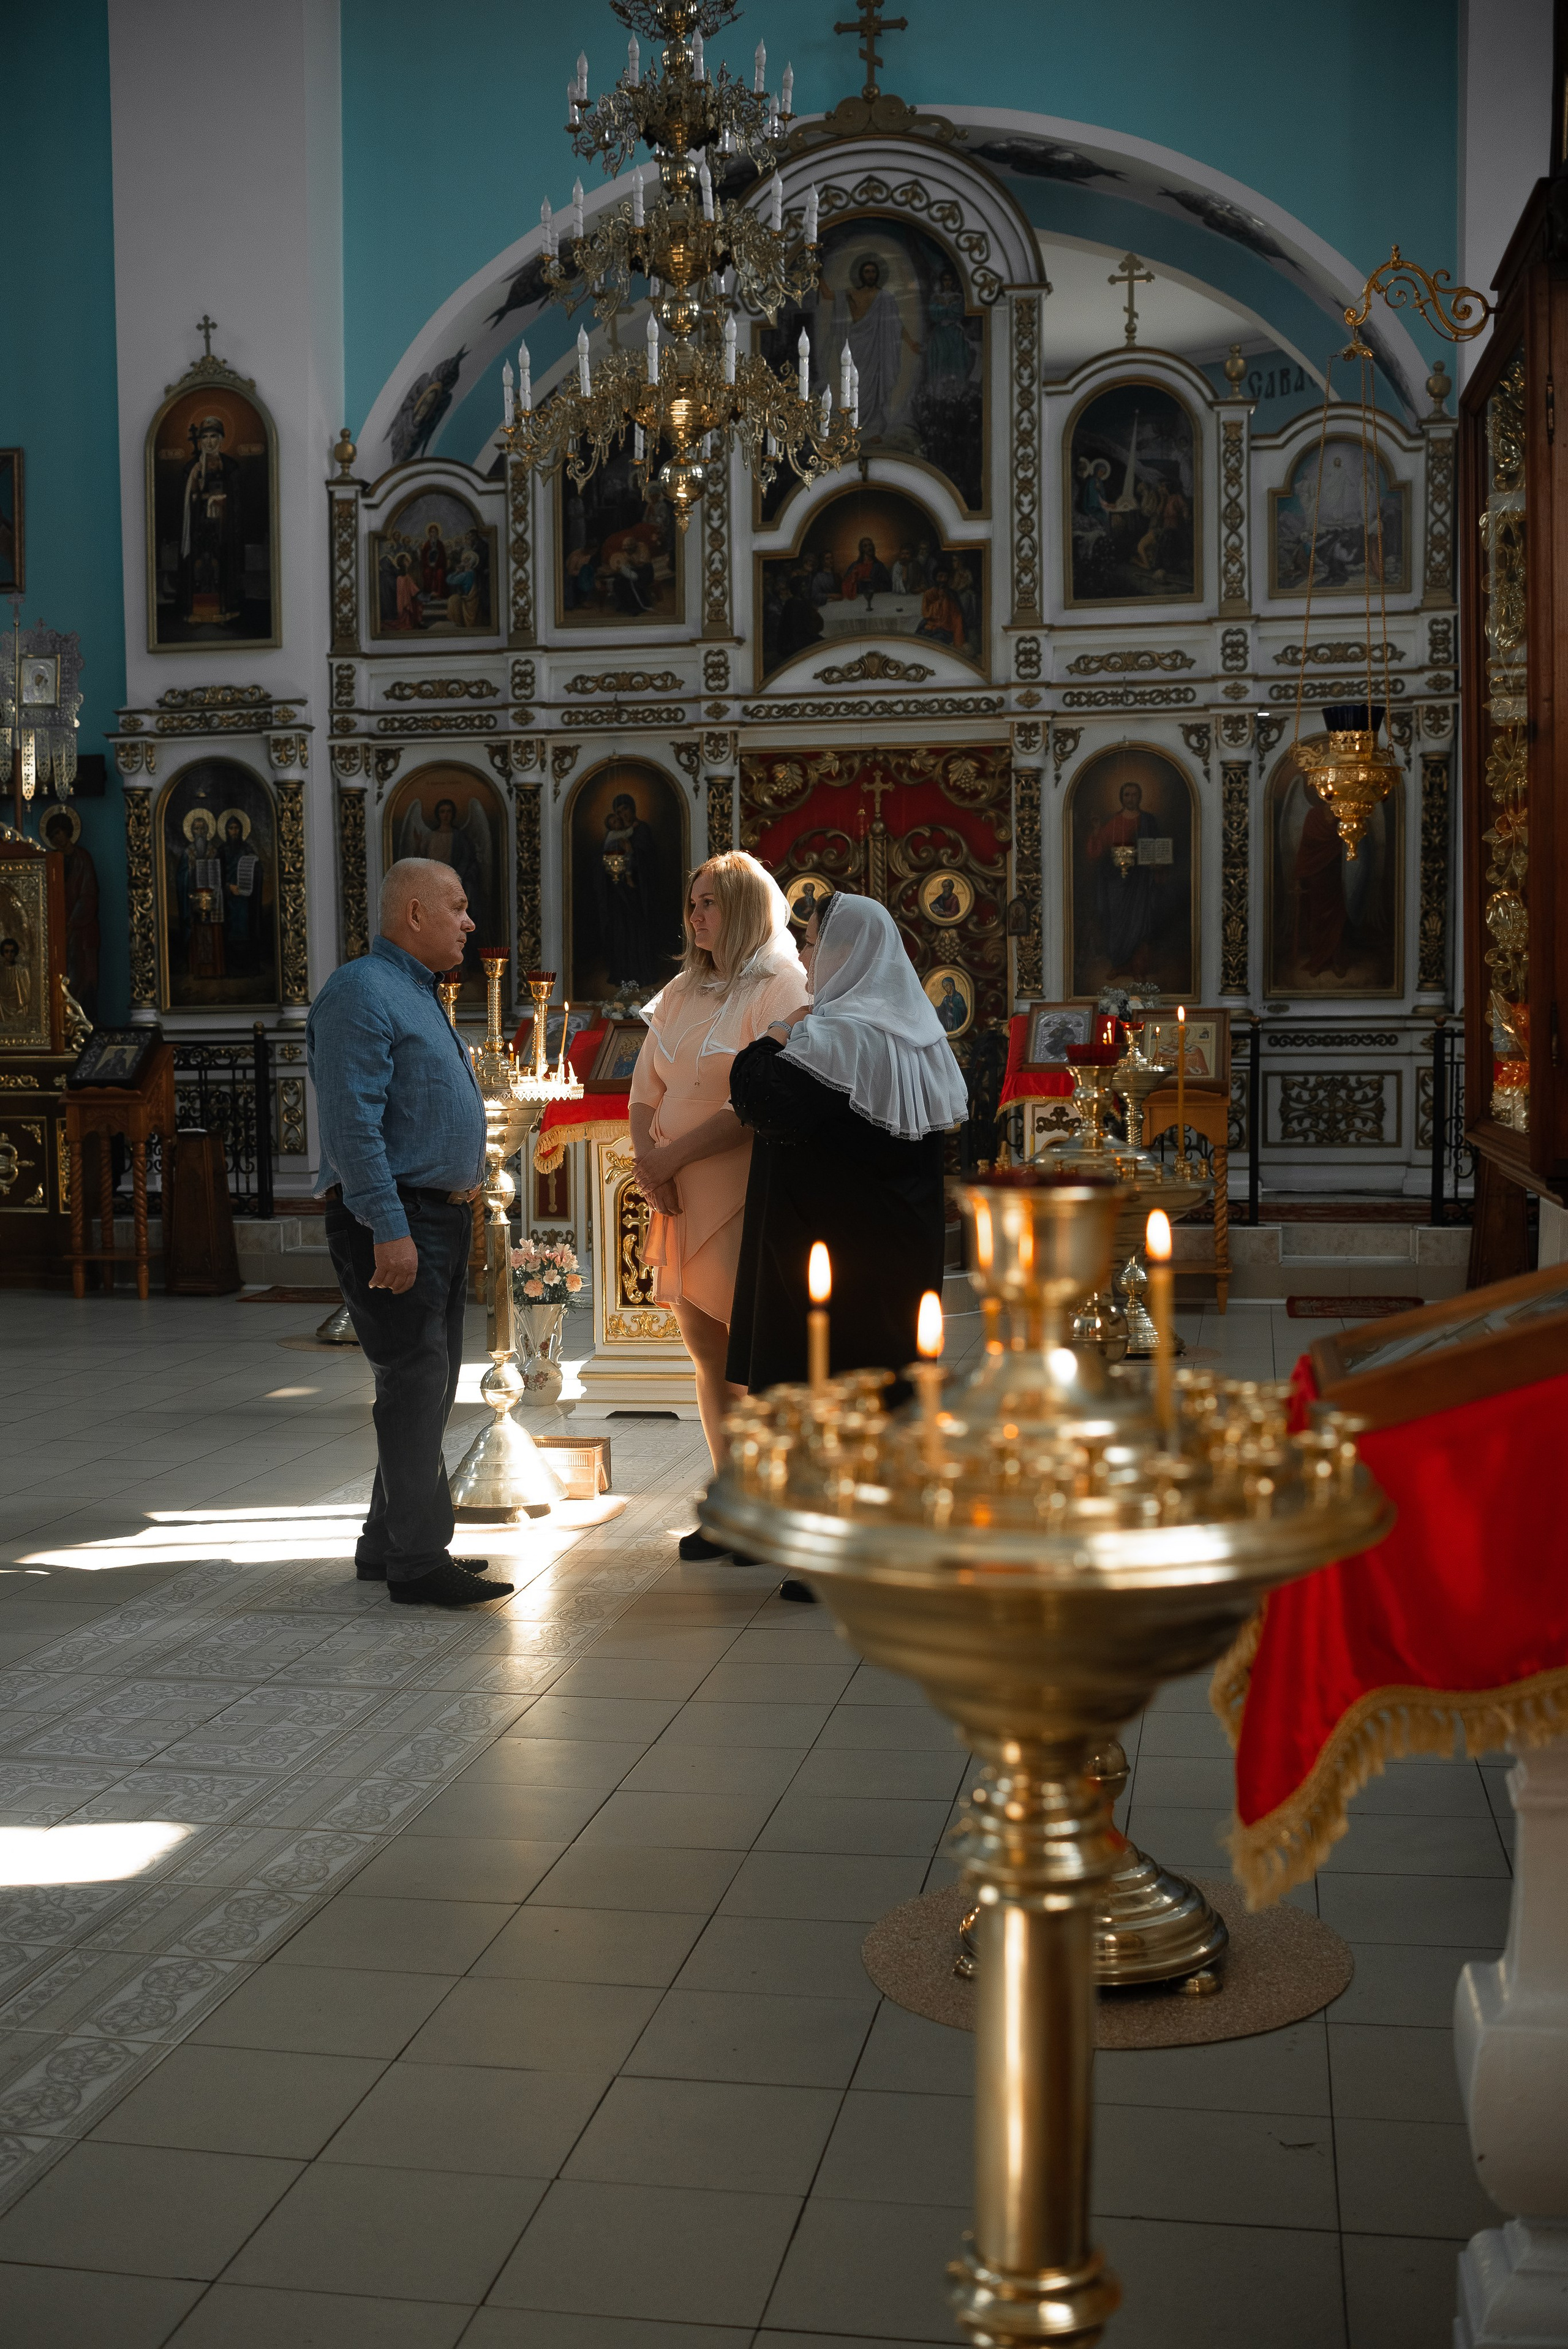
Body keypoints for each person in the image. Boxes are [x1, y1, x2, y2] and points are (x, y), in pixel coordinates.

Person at [307, 858, 507, 1609]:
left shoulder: (415, 990)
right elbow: (352, 1125)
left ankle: (384, 1541)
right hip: (393, 1216)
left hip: (435, 1214)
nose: (469, 921)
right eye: (458, 907)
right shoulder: (362, 990)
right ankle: (420, 1563)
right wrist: (388, 1228)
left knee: (425, 1383)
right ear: (415, 913)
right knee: (414, 1383)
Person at [725, 887, 966, 1415]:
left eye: (811, 944)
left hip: (832, 1262)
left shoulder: (839, 1038)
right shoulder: (922, 1037)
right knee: (889, 1401)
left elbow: (756, 1095)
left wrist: (778, 1030)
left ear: (846, 951)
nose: (803, 956)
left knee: (827, 1405)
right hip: (900, 1259)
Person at [628, 853, 809, 1531]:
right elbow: (647, 1092)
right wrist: (653, 1165)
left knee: (756, 1355)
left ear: (743, 910)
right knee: (705, 1351)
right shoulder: (681, 989)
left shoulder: (781, 984)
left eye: (708, 903)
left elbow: (761, 1100)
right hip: (677, 1189)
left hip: (742, 1188)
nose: (695, 915)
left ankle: (777, 1506)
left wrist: (669, 1158)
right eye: (692, 903)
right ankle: (731, 1503)